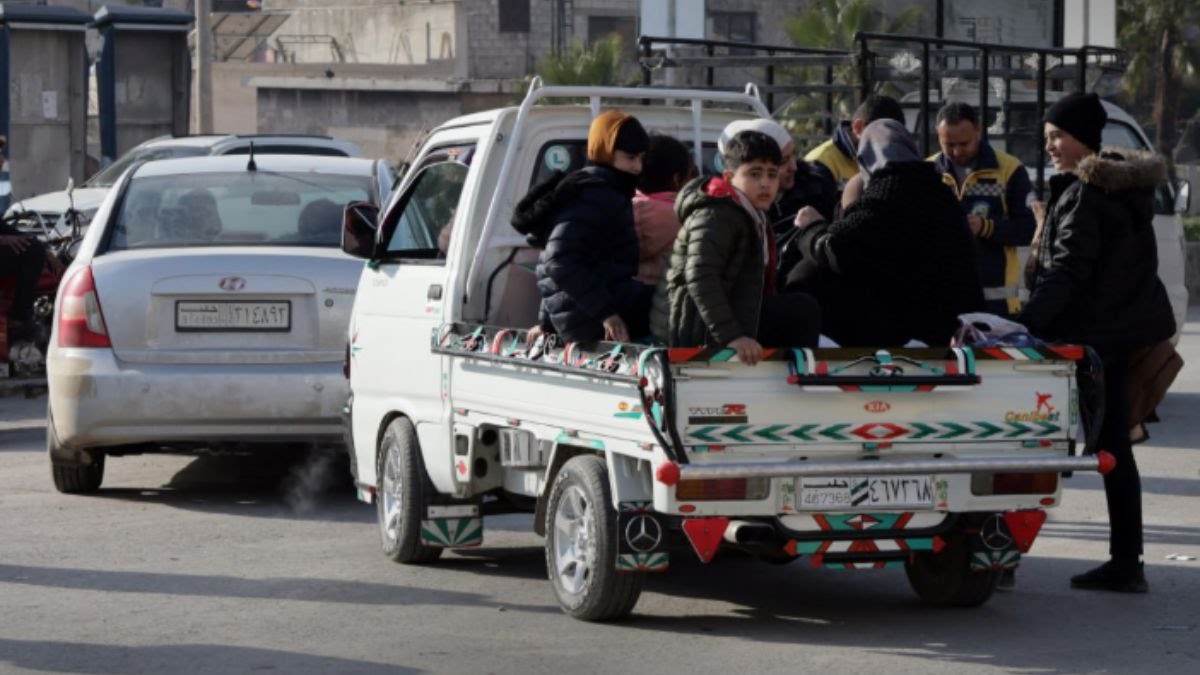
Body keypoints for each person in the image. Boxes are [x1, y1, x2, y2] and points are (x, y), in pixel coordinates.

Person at [1018, 92, 1175, 593]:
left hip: (1094, 341)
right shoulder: (1122, 190)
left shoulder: (1088, 192)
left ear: (1083, 137)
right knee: (1112, 449)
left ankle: (1124, 563)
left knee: (1055, 443)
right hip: (1120, 337)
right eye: (1046, 138)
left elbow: (1068, 269)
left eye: (1056, 137)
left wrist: (1025, 325)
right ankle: (1126, 560)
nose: (1050, 147)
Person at [788, 119, 984, 347]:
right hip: (952, 333)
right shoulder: (942, 195)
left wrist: (812, 227)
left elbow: (836, 248)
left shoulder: (886, 194)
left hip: (905, 336)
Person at [652, 130, 820, 362]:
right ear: (729, 178)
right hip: (693, 328)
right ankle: (801, 380)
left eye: (772, 174)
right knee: (801, 309)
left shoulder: (750, 213)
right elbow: (701, 277)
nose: (765, 183)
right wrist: (733, 337)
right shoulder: (718, 213)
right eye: (754, 173)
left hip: (721, 318)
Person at [514, 109, 652, 343]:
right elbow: (559, 260)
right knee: (669, 306)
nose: (638, 167)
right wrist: (607, 314)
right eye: (630, 158)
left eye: (641, 158)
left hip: (585, 313)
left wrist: (548, 323)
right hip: (593, 318)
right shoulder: (596, 193)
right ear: (606, 153)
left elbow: (553, 263)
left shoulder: (590, 188)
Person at [932, 102, 1036, 317]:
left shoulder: (1009, 169)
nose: (957, 151)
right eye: (949, 144)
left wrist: (985, 227)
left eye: (964, 143)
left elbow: (1028, 228)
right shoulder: (927, 172)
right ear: (938, 136)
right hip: (942, 301)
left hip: (996, 305)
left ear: (978, 130)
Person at [805, 94, 906, 190]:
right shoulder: (819, 164)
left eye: (894, 140)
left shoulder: (889, 161)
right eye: (881, 138)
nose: (886, 147)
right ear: (858, 127)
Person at [632, 133, 692, 285]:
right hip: (664, 302)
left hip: (621, 299)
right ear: (677, 178)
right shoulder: (685, 218)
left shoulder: (618, 209)